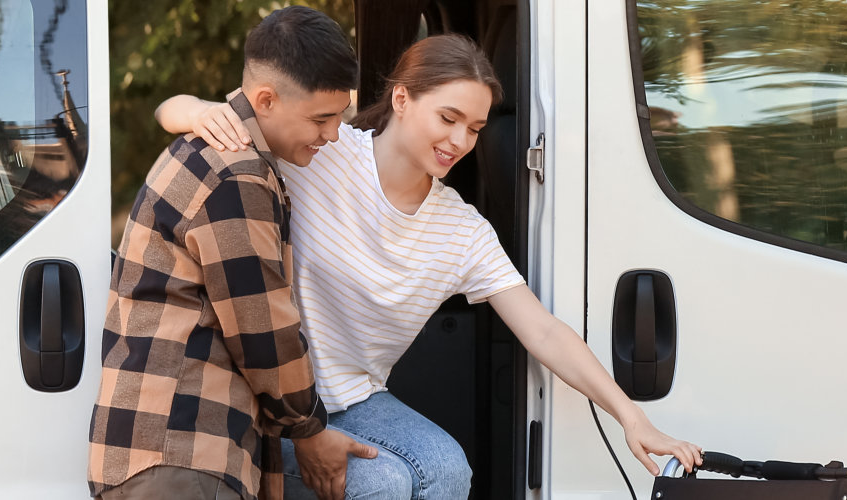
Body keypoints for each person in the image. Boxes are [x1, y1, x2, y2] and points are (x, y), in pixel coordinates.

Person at [159, 34, 704, 500]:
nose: (460, 142)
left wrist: (633, 418)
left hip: (354, 399)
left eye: (475, 128)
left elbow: (544, 331)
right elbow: (178, 111)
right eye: (448, 118)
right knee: (387, 484)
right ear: (401, 99)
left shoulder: (461, 231)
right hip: (276, 400)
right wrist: (200, 113)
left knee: (446, 469)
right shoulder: (322, 151)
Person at [90, 7, 379, 500]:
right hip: (182, 452)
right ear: (266, 99)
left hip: (164, 453)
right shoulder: (237, 174)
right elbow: (263, 330)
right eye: (321, 118)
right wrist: (308, 429)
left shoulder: (211, 148)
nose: (332, 135)